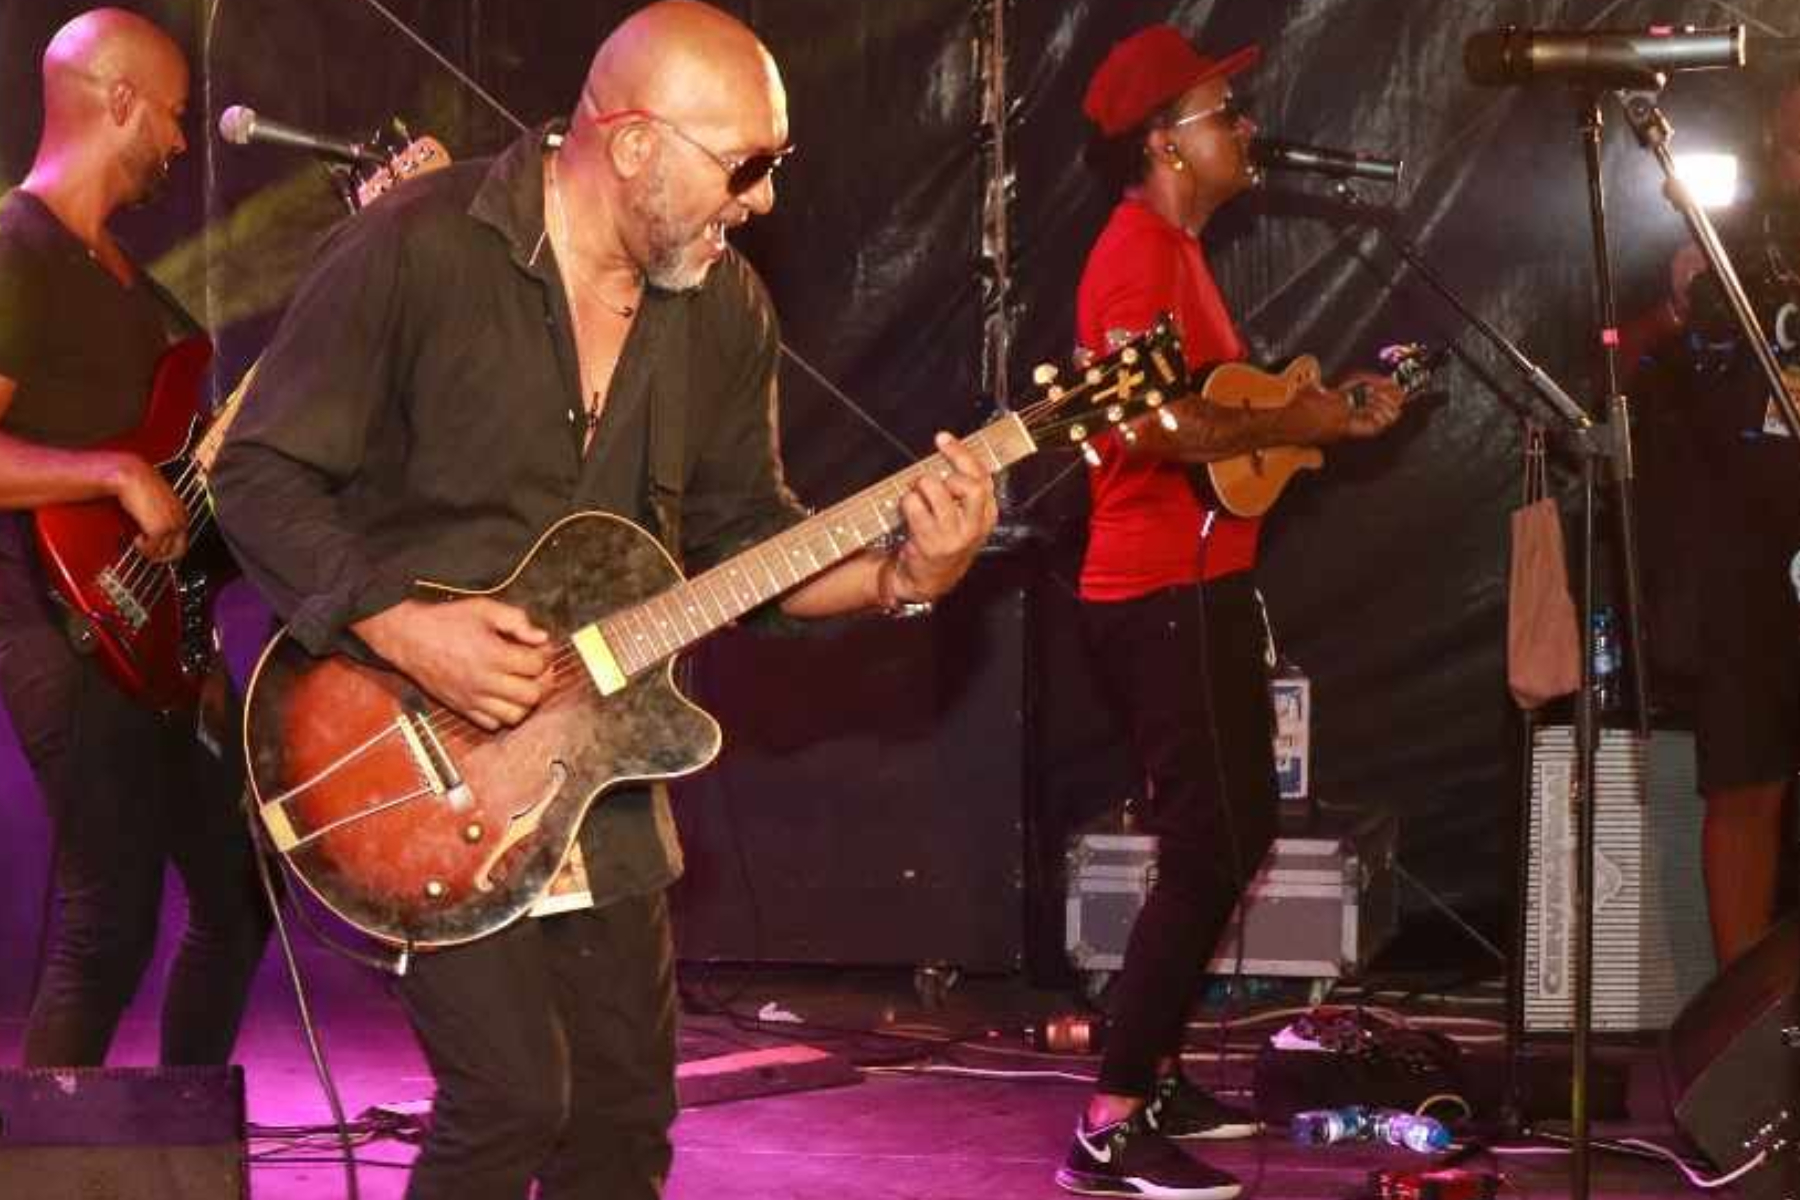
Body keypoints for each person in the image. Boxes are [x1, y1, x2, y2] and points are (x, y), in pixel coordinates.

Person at [209, 3, 996, 1196]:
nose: (764, 199)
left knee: (624, 1122)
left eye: (775, 165)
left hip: (602, 779)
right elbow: (255, 473)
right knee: (513, 1102)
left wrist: (903, 577)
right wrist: (403, 627)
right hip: (399, 759)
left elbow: (745, 550)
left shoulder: (724, 309)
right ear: (633, 144)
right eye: (745, 165)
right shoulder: (419, 247)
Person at [1058, 26, 1409, 1199]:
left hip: (1197, 588)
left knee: (1230, 833)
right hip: (1157, 593)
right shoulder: (1133, 257)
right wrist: (1295, 422)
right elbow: (1150, 426)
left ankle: (1150, 1075)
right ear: (1165, 143)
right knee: (1213, 842)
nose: (1247, 129)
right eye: (1225, 113)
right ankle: (1110, 1121)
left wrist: (1325, 420)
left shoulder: (1180, 253)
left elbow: (1227, 425)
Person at [0, 8, 269, 1068]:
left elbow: (178, 488)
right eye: (172, 115)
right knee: (107, 922)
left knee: (238, 900)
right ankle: (48, 1152)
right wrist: (111, 473)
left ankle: (183, 1133)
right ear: (118, 101)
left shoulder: (137, 290)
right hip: (58, 628)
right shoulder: (16, 249)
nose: (181, 141)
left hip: (162, 635)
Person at [1622, 73, 1800, 971]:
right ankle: (1744, 1014)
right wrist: (1678, 309)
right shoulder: (1721, 235)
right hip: (1747, 556)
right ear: (1773, 140)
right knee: (1745, 785)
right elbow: (1609, 360)